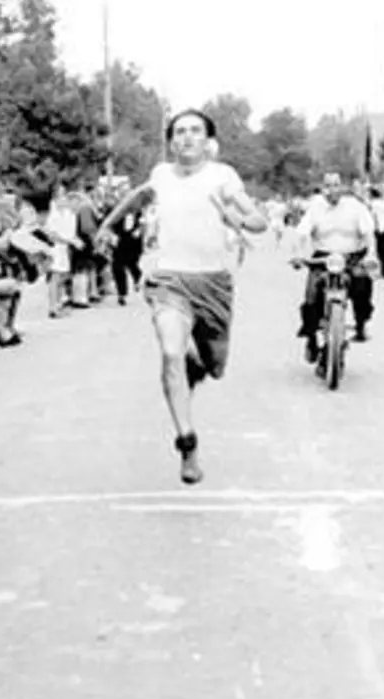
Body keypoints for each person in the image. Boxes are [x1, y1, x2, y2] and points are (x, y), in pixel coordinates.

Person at [97, 110, 267, 484]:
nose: (187, 138)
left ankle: (196, 365)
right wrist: (108, 224)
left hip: (213, 284)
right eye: (180, 132)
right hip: (169, 279)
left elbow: (259, 222)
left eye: (195, 131)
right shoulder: (161, 175)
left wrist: (234, 220)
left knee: (216, 366)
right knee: (171, 351)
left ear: (208, 140)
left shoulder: (222, 177)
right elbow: (138, 196)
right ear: (172, 141)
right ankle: (187, 443)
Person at [293, 173, 379, 358]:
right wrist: (299, 254)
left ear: (342, 187)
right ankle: (311, 337)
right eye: (328, 185)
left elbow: (368, 233)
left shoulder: (355, 207)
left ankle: (361, 324)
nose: (332, 189)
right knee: (311, 295)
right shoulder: (315, 208)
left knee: (363, 285)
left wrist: (371, 253)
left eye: (336, 185)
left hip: (351, 257)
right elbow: (302, 233)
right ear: (322, 188)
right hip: (323, 258)